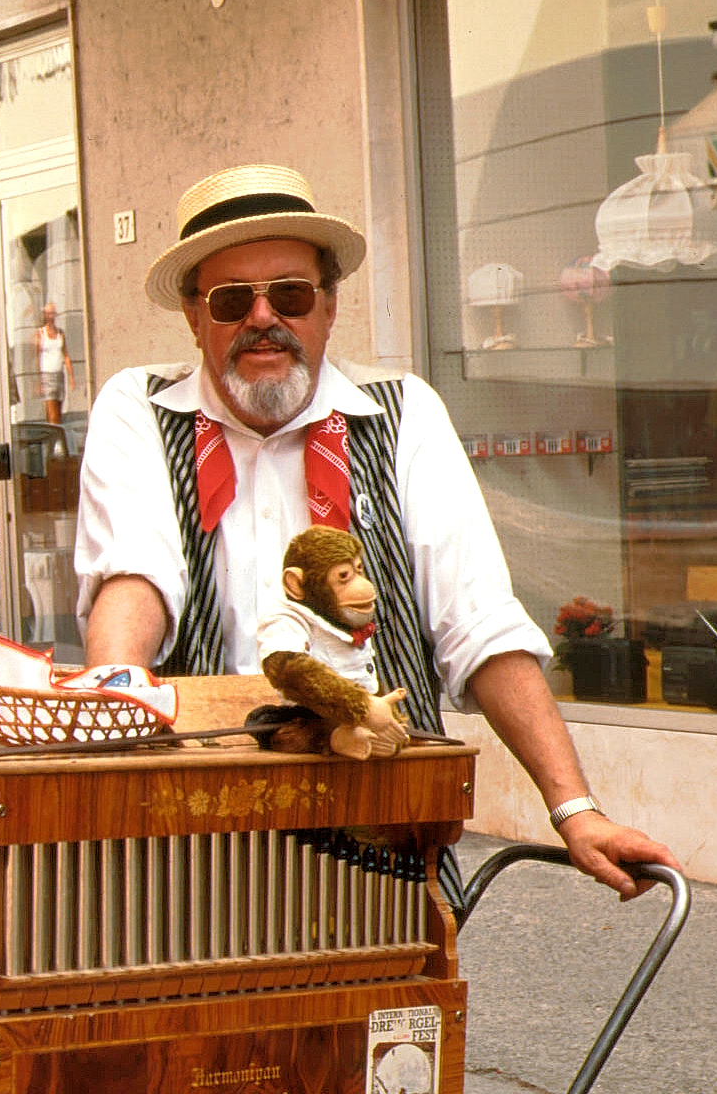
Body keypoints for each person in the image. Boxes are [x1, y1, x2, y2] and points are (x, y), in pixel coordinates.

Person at [75, 164, 674, 901]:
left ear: (329, 307)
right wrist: (111, 717)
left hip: (381, 839)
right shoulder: (138, 407)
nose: (263, 318)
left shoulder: (404, 413)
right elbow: (135, 576)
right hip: (198, 847)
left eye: (290, 294)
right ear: (194, 317)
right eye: (232, 300)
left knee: (395, 979)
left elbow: (477, 623)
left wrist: (574, 810)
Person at [34, 302, 74, 425]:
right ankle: (54, 435)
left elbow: (65, 355)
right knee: (52, 414)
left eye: (52, 313)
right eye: (48, 313)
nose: (50, 316)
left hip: (59, 375)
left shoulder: (60, 333)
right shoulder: (40, 333)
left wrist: (71, 377)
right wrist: (38, 382)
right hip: (47, 375)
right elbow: (36, 357)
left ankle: (54, 435)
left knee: (58, 413)